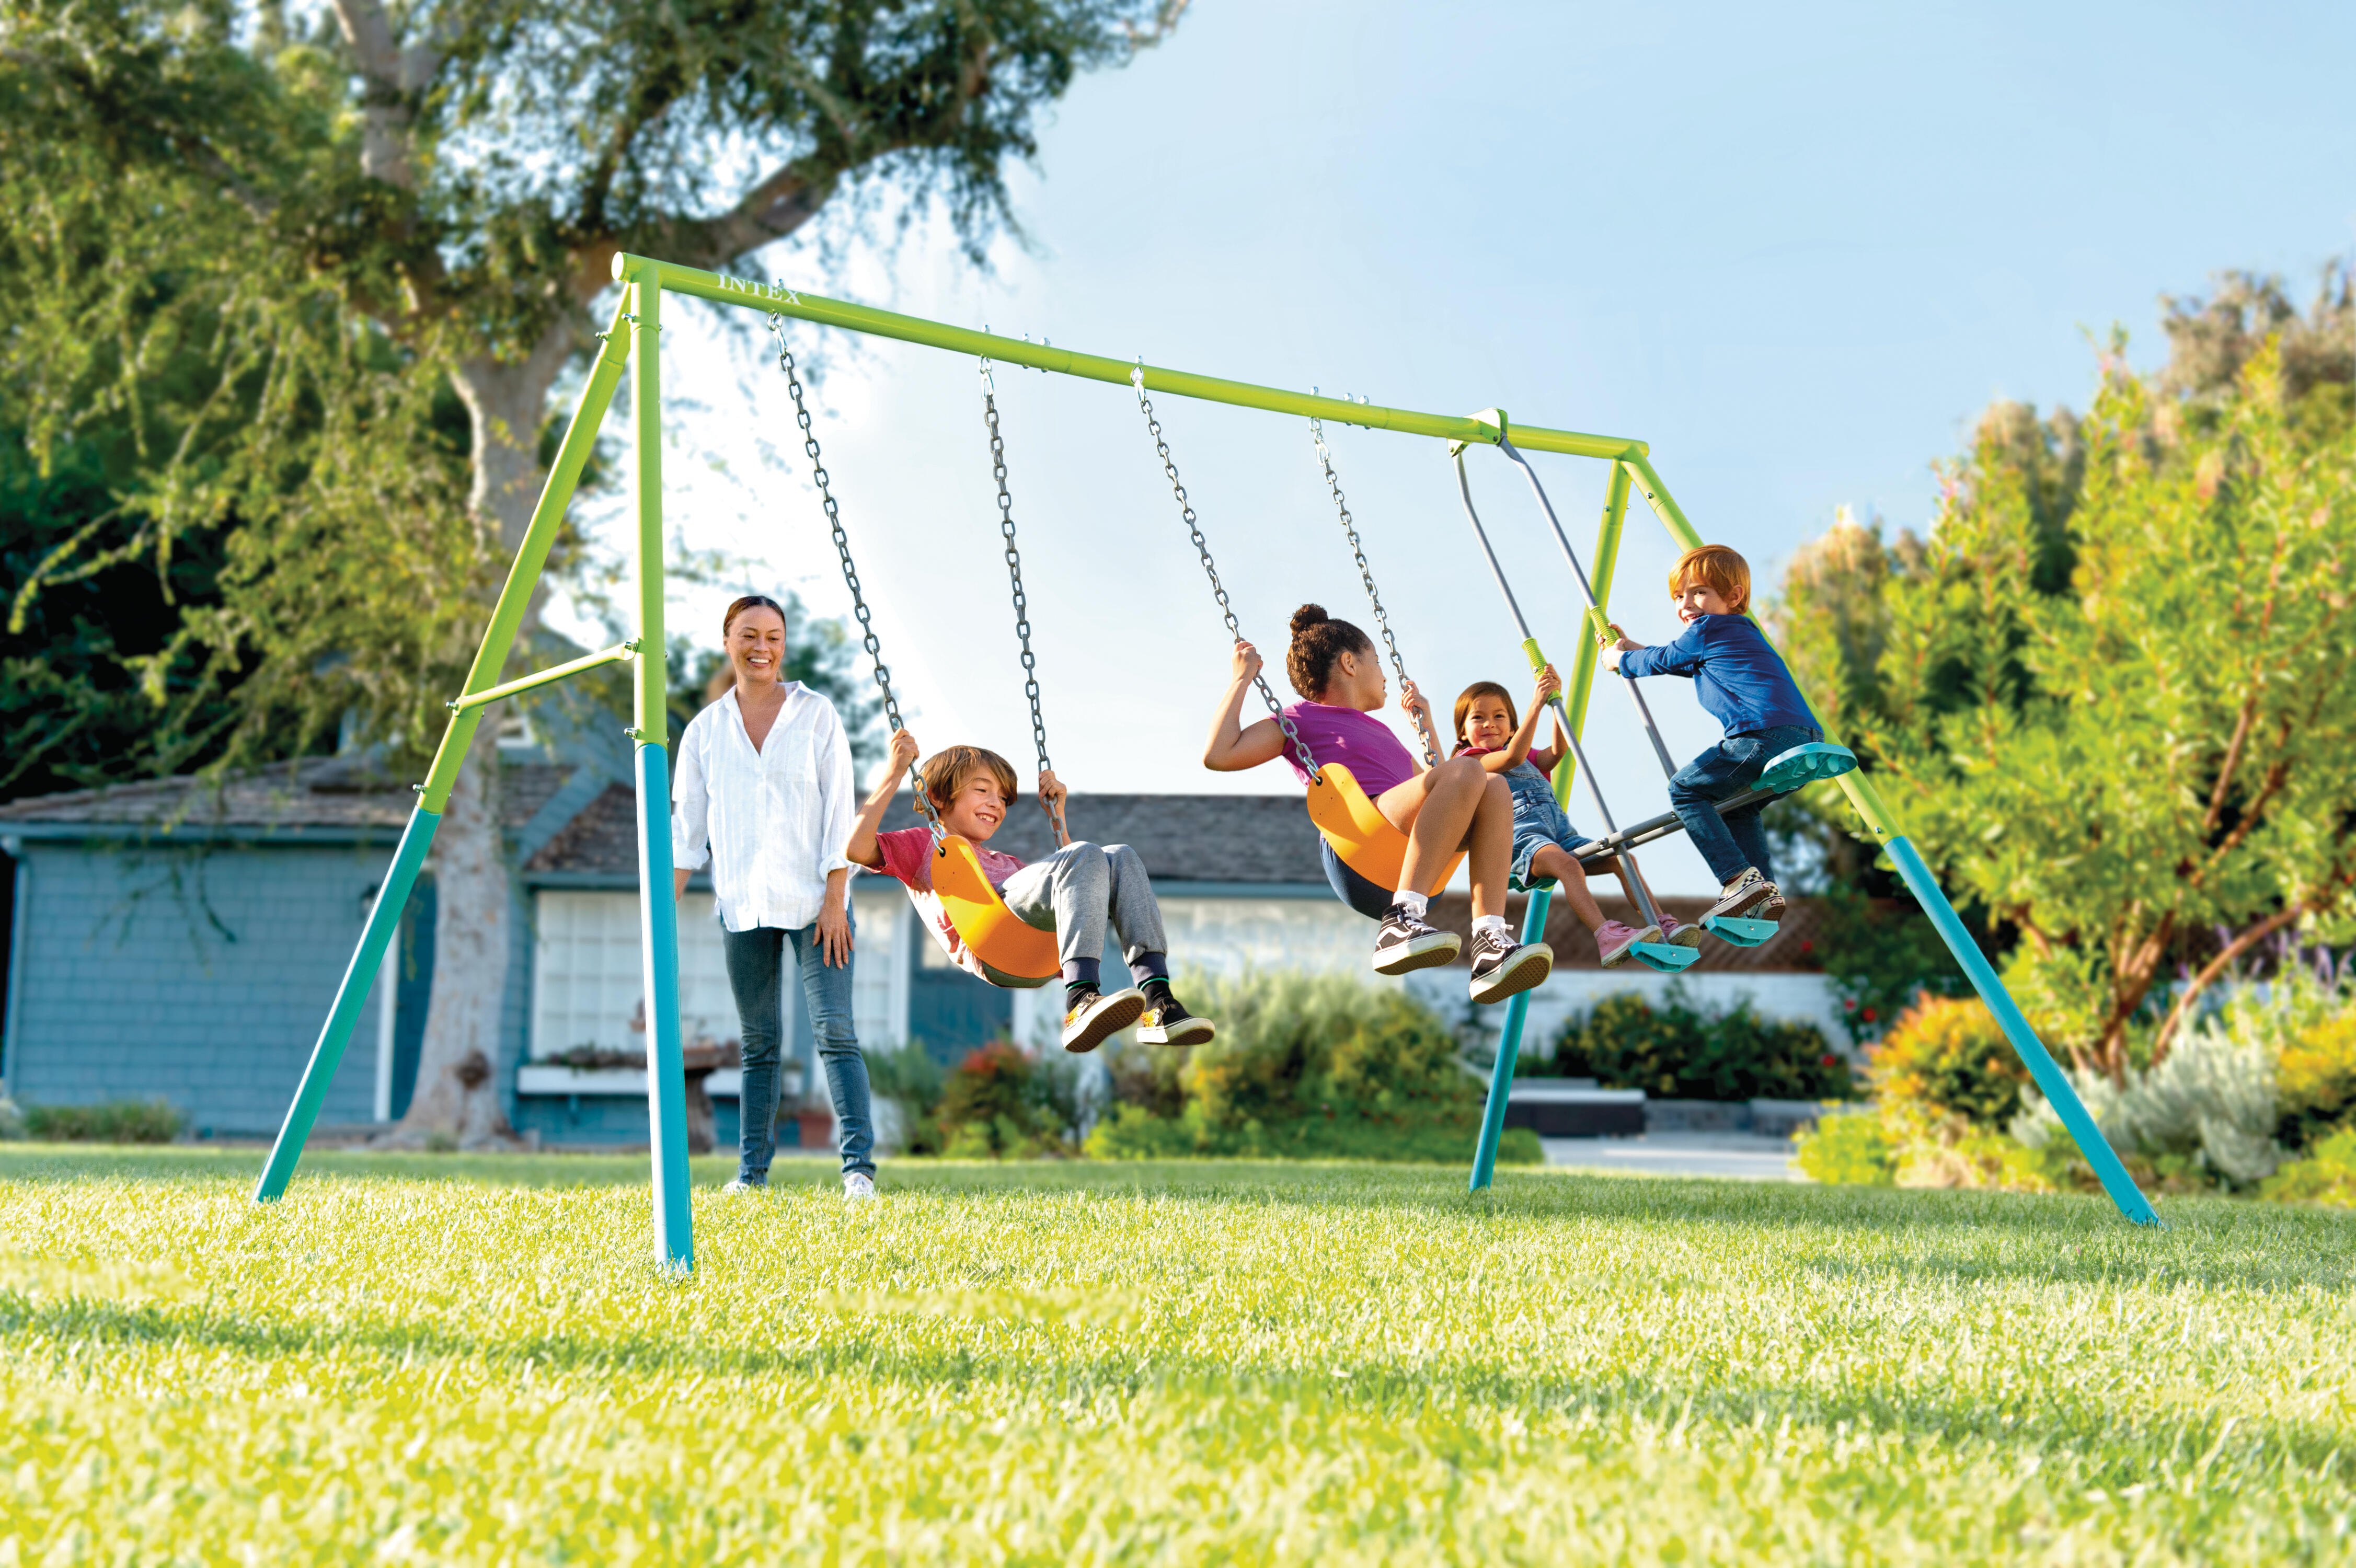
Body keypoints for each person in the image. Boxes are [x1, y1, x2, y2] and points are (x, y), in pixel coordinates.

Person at [1201, 604, 1553, 1006]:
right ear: (1349, 663)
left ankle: (1489, 943)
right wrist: (1242, 679)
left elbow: (1446, 788)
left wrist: (1427, 724)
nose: (1385, 674)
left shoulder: (1383, 732)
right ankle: (1401, 921)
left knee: (1493, 787)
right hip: (1359, 841)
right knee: (1469, 772)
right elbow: (1219, 755)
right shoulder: (1300, 718)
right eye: (1377, 661)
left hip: (1411, 859)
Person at [671, 593, 877, 1201]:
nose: (761, 648)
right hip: (743, 907)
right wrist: (660, 915)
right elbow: (687, 835)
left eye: (773, 637)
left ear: (783, 646)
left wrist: (836, 897)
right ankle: (751, 1177)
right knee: (757, 1044)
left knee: (834, 1030)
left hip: (818, 904)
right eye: (748, 635)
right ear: (727, 641)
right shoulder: (704, 732)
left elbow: (839, 811)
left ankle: (858, 1171)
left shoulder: (816, 714)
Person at [846, 731, 1217, 1055]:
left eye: (1003, 798)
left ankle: (1158, 1002)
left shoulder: (1008, 864)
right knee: (1084, 855)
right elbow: (857, 849)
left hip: (1035, 951)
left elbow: (1081, 889)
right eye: (982, 790)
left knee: (1120, 855)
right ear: (938, 797)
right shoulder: (924, 845)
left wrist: (1059, 816)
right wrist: (894, 773)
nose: (996, 803)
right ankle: (1080, 999)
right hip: (992, 942)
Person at [1602, 543, 1822, 927]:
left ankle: (1736, 879)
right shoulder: (1738, 633)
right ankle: (1762, 891)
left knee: (1686, 789)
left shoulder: (1706, 629)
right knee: (1736, 806)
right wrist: (1631, 649)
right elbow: (1680, 660)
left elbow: (1666, 659)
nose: (1686, 604)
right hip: (1801, 738)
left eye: (1699, 592)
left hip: (1761, 735)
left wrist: (1620, 659)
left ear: (1733, 596)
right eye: (1678, 596)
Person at [1452, 668, 1695, 965]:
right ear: (1463, 732)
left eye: (1499, 716)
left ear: (1513, 728)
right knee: (1568, 866)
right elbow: (1512, 757)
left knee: (1624, 859)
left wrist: (1554, 704)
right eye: (1478, 717)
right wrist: (1536, 704)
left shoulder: (1528, 756)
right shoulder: (1472, 762)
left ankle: (1660, 923)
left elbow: (1556, 753)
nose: (1490, 723)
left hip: (1561, 835)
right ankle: (1605, 934)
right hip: (1522, 841)